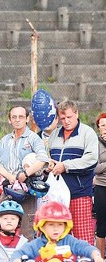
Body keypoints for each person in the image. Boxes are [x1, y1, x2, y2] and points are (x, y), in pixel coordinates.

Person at [47, 99, 99, 244]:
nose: (66, 121)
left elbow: (91, 159)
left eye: (69, 117)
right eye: (62, 118)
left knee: (83, 236)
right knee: (59, 236)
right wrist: (49, 165)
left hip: (79, 192)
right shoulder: (54, 135)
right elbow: (48, 157)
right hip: (57, 194)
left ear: (76, 113)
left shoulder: (87, 133)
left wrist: (65, 166)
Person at [0, 105, 48, 239]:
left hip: (27, 189)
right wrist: (10, 176)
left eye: (21, 117)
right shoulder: (5, 140)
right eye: (14, 117)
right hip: (8, 187)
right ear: (9, 120)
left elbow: (43, 159)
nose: (17, 120)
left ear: (27, 119)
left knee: (27, 228)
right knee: (0, 225)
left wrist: (26, 173)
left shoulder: (34, 138)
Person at [93, 112, 106, 259]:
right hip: (101, 186)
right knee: (101, 224)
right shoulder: (95, 144)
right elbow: (94, 168)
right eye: (102, 125)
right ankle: (100, 261)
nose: (105, 128)